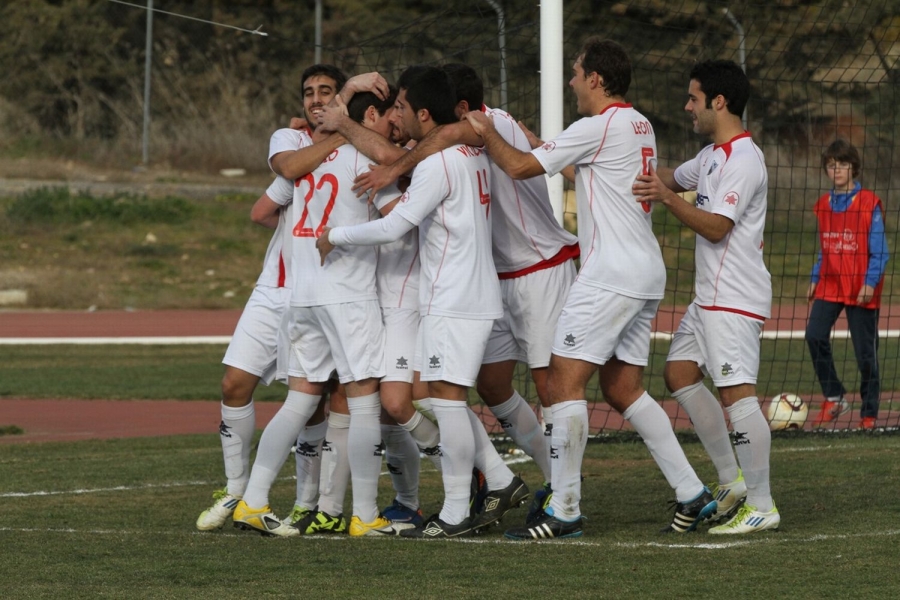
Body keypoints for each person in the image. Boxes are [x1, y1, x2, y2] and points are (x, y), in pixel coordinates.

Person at [465, 38, 715, 540]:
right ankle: (693, 493)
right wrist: (535, 142)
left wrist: (488, 132)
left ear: (596, 79)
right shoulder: (637, 123)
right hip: (644, 270)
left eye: (577, 74)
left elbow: (517, 167)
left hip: (611, 274)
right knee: (622, 389)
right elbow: (565, 158)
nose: (573, 82)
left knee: (561, 382)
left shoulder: (598, 125)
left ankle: (565, 508)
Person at [350, 62, 580, 525]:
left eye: (405, 107)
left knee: (546, 389)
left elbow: (407, 199)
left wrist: (381, 169)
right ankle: (507, 480)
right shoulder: (456, 142)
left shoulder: (483, 129)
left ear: (453, 110)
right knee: (487, 386)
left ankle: (562, 497)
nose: (401, 116)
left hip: (538, 269)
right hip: (492, 279)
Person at [318, 65, 529, 539]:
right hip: (467, 292)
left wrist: (336, 235)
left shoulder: (438, 163)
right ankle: (497, 480)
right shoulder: (469, 151)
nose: (400, 114)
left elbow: (395, 226)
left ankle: (456, 510)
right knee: (437, 395)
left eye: (404, 107)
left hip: (452, 296)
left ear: (425, 113)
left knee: (447, 400)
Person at [633, 59, 779, 534]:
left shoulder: (743, 160)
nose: (687, 106)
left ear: (719, 102)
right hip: (707, 300)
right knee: (678, 373)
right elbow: (673, 176)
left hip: (734, 299)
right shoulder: (714, 154)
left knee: (738, 396)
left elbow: (717, 228)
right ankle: (731, 479)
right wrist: (616, 161)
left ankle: (761, 504)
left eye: (693, 98)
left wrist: (669, 199)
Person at [806, 139, 888, 430]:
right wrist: (815, 278)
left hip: (860, 287)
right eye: (831, 165)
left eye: (842, 164)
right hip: (830, 283)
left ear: (853, 167)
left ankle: (869, 413)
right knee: (814, 335)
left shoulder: (868, 203)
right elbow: (824, 247)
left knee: (866, 355)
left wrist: (869, 282)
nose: (836, 169)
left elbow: (881, 251)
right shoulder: (824, 205)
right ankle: (835, 395)